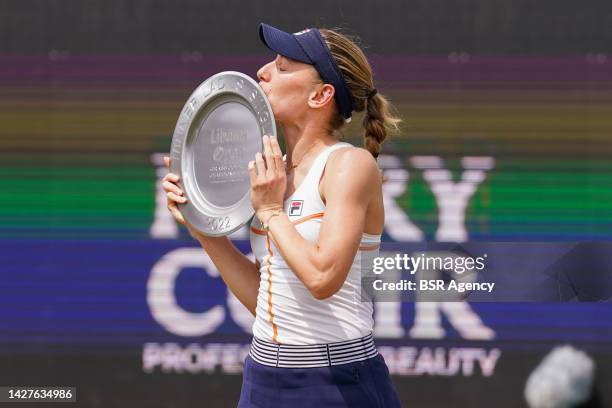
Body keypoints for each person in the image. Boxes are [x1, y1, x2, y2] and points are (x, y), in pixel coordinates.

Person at [162, 23, 402, 407]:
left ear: (321, 94)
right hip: (262, 378)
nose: (263, 72)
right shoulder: (275, 173)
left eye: (284, 66)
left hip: (338, 381)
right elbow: (268, 300)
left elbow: (323, 278)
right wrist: (205, 233)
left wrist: (272, 210)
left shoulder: (349, 165)